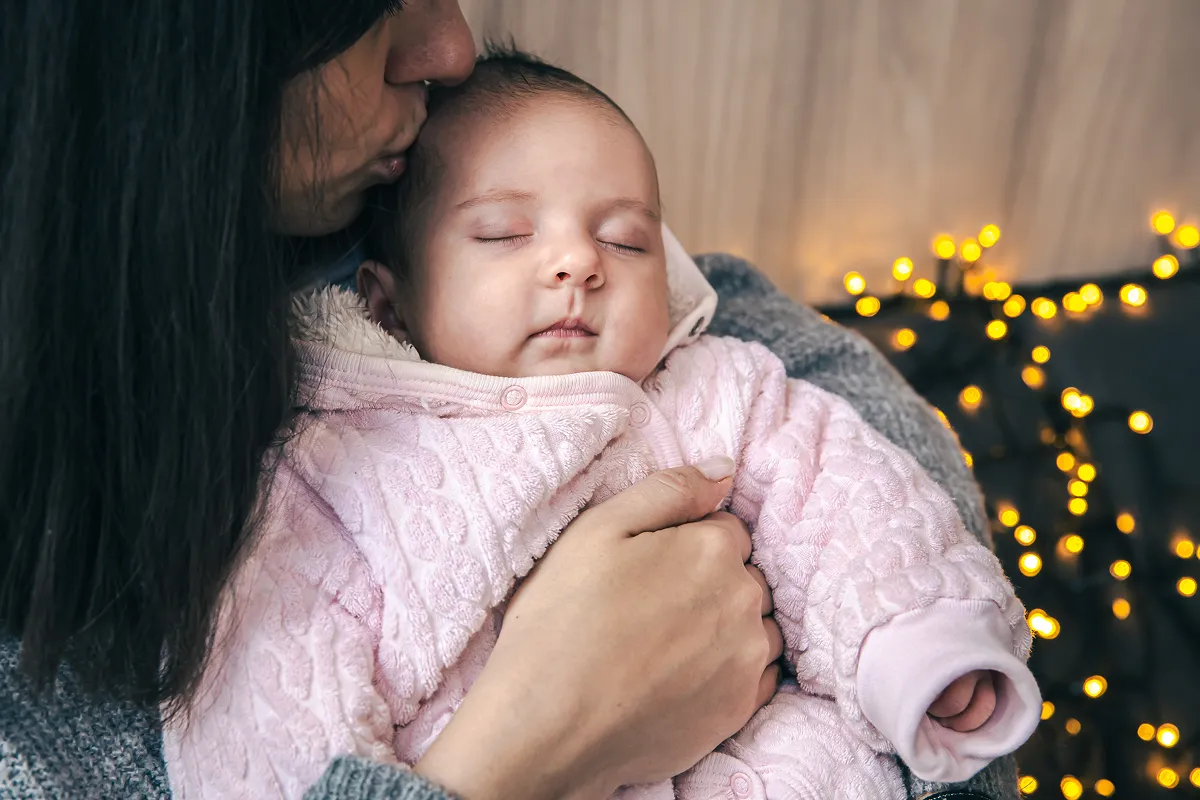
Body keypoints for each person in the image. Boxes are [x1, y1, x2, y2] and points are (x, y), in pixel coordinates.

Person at [0, 2, 1018, 799]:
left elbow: (850, 491)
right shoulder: (320, 476)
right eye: (501, 235)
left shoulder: (702, 381)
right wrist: (524, 745)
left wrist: (921, 649)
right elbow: (270, 718)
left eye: (625, 239)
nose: (450, 47)